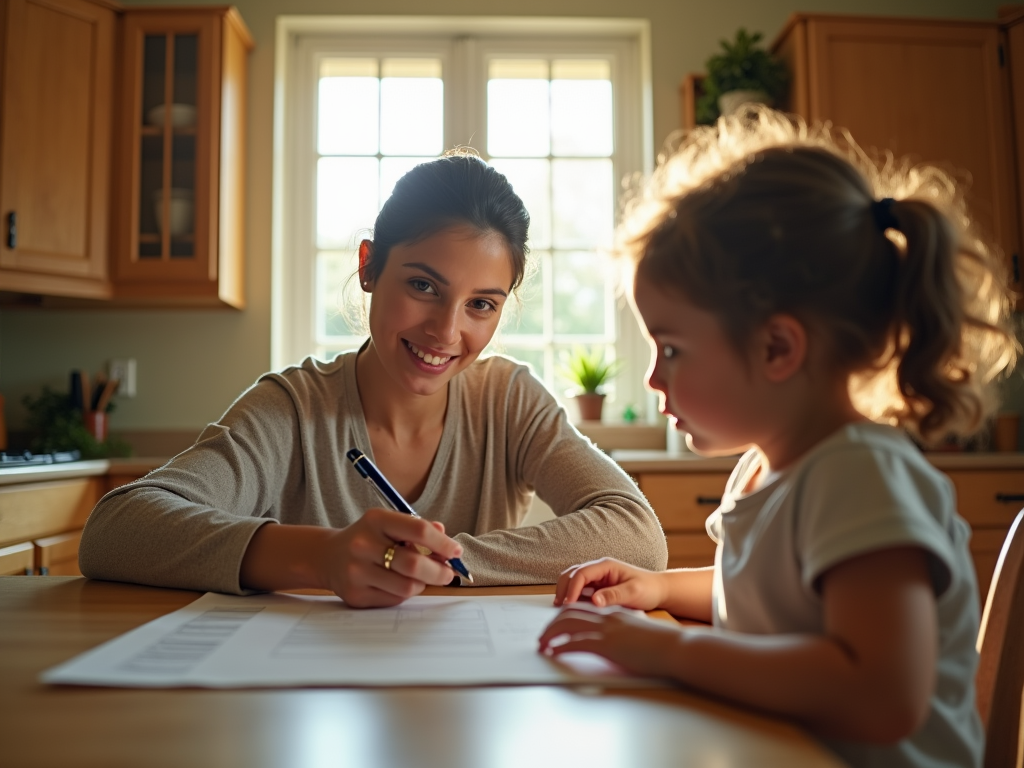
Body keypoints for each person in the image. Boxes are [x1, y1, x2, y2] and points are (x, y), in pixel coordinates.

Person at [538, 109, 1017, 768]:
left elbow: (881, 693)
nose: (652, 377)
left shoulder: (860, 475)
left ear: (777, 347)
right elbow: (769, 600)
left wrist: (667, 650)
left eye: (672, 349)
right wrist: (654, 588)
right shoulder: (770, 466)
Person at [79, 150, 667, 607]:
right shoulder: (293, 408)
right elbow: (115, 529)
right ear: (368, 267)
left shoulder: (508, 400)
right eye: (423, 286)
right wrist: (321, 557)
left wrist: (445, 562)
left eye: (481, 305)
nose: (445, 331)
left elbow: (638, 534)